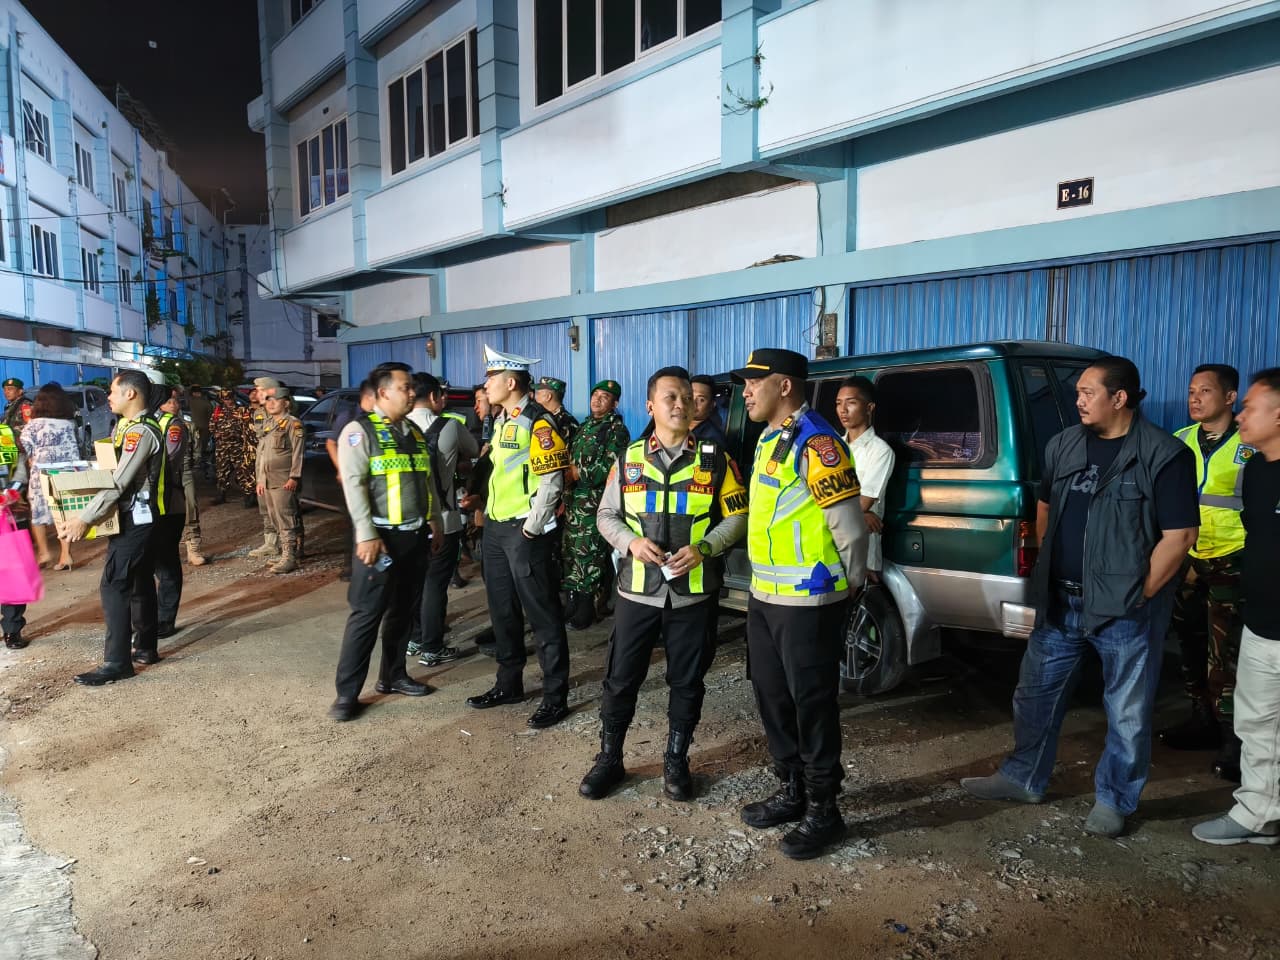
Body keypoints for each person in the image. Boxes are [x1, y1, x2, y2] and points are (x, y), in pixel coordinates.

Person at [962, 356, 1198, 838]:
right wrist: (1048, 564)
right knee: (1034, 697)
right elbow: (1045, 506)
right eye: (1078, 393)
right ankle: (1023, 777)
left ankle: (1115, 799)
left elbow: (1180, 536)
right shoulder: (1064, 443)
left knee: (1127, 712)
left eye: (1088, 392)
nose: (1078, 401)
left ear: (1120, 398)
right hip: (1061, 602)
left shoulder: (1163, 454)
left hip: (1126, 612)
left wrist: (1140, 595)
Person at [580, 366, 748, 801]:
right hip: (637, 591)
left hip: (693, 594)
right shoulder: (629, 459)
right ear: (650, 405)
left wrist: (706, 548)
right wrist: (631, 542)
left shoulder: (716, 459)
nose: (680, 404)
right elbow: (605, 516)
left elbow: (737, 516)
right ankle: (610, 759)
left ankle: (676, 759)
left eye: (687, 398)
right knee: (620, 678)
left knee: (687, 681)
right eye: (670, 397)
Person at [733, 348, 869, 860]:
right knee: (773, 697)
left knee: (812, 705)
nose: (746, 392)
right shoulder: (770, 438)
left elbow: (850, 529)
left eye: (755, 382)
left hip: (810, 602)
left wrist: (849, 587)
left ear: (785, 386)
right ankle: (791, 790)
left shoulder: (818, 443)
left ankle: (824, 809)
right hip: (767, 596)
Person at [1193, 368, 1280, 846]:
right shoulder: (1260, 472)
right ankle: (1259, 813)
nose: (1242, 415)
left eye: (1250, 406)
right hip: (1262, 621)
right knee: (1256, 720)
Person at [463, 345, 571, 728]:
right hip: (497, 528)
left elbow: (552, 480)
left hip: (524, 530)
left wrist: (532, 526)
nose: (486, 385)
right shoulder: (503, 420)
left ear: (511, 383)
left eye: (491, 378)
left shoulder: (537, 422)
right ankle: (508, 684)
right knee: (502, 612)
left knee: (542, 615)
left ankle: (555, 696)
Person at [330, 363, 441, 721]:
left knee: (403, 611)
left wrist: (435, 520)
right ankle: (347, 694)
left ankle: (393, 676)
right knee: (366, 614)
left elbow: (427, 480)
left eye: (411, 388)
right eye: (405, 387)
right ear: (383, 393)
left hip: (414, 535)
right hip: (379, 540)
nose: (412, 393)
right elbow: (354, 485)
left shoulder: (413, 432)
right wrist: (366, 534)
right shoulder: (359, 432)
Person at [1160, 364, 1249, 781]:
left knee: (1227, 652)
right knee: (1189, 640)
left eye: (1205, 391)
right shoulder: (1179, 440)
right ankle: (1202, 718)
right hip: (1188, 556)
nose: (1194, 399)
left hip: (1234, 557)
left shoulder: (1251, 442)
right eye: (1192, 391)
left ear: (1230, 397)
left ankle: (1234, 739)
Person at [62, 370, 166, 684]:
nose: (107, 397)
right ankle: (145, 647)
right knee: (139, 580)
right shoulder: (129, 427)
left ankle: (117, 662)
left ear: (130, 394)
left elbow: (119, 482)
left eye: (112, 391)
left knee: (114, 584)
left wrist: (85, 518)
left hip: (136, 517)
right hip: (140, 515)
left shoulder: (140, 432)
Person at [407, 372, 478, 664]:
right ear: (434, 396)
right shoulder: (450, 425)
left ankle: (414, 638)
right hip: (445, 519)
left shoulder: (397, 427)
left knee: (413, 583)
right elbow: (474, 451)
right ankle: (432, 647)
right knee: (436, 584)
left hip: (407, 522)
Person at [561, 378, 630, 629]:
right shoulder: (584, 427)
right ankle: (573, 602)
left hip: (595, 504)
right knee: (571, 551)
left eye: (605, 397)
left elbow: (610, 468)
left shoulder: (616, 431)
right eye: (595, 395)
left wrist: (577, 474)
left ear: (614, 403)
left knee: (589, 555)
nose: (597, 400)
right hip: (574, 503)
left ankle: (587, 608)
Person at [834, 376, 896, 580]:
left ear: (869, 408)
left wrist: (860, 511)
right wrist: (860, 514)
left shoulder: (880, 451)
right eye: (838, 403)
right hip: (831, 547)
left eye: (851, 402)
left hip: (861, 553)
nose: (843, 410)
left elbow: (864, 502)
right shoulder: (834, 448)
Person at [18, 384, 80, 571]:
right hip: (67, 475)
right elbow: (79, 446)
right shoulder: (70, 424)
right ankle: (66, 555)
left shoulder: (33, 425)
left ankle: (44, 553)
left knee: (37, 514)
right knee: (63, 513)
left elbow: (24, 448)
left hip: (41, 476)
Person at [152, 385, 192, 638]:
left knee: (166, 564)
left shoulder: (174, 426)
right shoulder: (143, 423)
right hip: (149, 506)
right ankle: (149, 618)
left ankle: (165, 619)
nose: (175, 404)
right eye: (169, 400)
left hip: (168, 504)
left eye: (176, 400)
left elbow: (168, 461)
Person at [328, 381, 377, 582]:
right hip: (352, 480)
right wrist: (342, 469)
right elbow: (331, 443)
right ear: (370, 396)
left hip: (374, 482)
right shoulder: (348, 417)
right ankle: (350, 565)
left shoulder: (380, 419)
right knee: (352, 522)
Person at [256, 385, 305, 575]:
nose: (271, 403)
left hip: (284, 479)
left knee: (286, 516)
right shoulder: (269, 424)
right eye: (268, 400)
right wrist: (260, 480)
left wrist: (294, 476)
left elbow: (298, 453)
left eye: (275, 400)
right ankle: (287, 552)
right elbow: (263, 454)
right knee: (275, 517)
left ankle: (290, 556)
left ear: (286, 403)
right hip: (268, 480)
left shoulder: (293, 424)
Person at [247, 377, 283, 556]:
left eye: (261, 390)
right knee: (265, 505)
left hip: (279, 466)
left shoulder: (281, 410)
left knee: (283, 508)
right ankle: (271, 543)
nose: (257, 393)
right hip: (262, 463)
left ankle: (292, 546)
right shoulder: (259, 412)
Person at [1, 436, 30, 649]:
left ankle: (12, 630)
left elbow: (20, 471)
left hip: (10, 517)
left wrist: (7, 496)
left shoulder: (7, 437)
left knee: (12, 575)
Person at [211, 389, 255, 506]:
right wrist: (215, 432)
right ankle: (221, 494)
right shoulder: (218, 411)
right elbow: (212, 425)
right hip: (222, 446)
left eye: (229, 398)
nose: (228, 401)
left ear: (233, 398)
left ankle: (249, 495)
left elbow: (247, 426)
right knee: (221, 471)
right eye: (225, 399)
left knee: (242, 471)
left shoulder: (241, 411)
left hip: (237, 445)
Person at [534, 376, 579, 444]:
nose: (535, 397)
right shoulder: (542, 416)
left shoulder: (566, 422)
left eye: (538, 394)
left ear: (548, 397)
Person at [690, 374, 729, 448]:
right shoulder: (675, 427)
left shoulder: (712, 439)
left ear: (712, 405)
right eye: (690, 397)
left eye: (701, 400)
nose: (693, 403)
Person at [187, 385, 213, 474]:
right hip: (205, 427)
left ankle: (192, 463)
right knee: (202, 446)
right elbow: (211, 416)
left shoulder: (190, 401)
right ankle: (199, 463)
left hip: (192, 427)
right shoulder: (207, 403)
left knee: (192, 446)